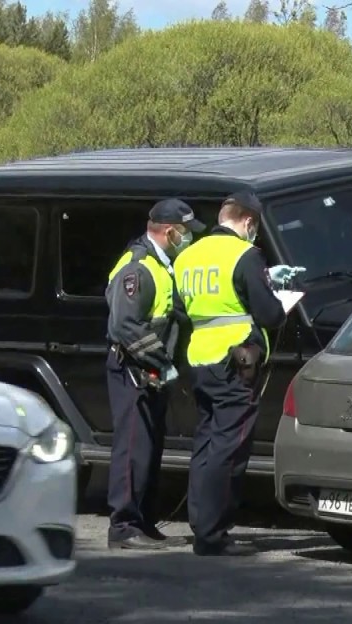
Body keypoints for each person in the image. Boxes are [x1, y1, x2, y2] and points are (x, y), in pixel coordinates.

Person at [173, 191, 288, 556]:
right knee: (230, 449)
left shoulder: (187, 257)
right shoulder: (245, 255)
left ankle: (200, 523)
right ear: (249, 222)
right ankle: (213, 535)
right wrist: (279, 299)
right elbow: (270, 315)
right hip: (236, 365)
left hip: (199, 362)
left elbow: (180, 311)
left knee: (206, 445)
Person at [104, 198, 205, 550]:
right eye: (186, 232)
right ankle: (123, 526)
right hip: (134, 369)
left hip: (151, 371)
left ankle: (144, 521)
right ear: (169, 231)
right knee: (132, 447)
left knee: (149, 447)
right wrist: (161, 362)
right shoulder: (139, 268)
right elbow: (125, 326)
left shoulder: (164, 266)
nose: (189, 238)